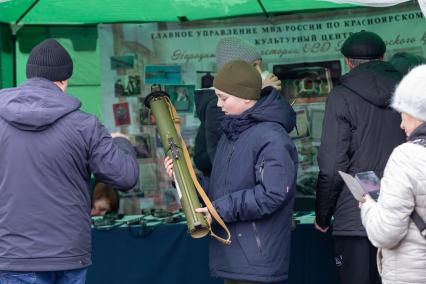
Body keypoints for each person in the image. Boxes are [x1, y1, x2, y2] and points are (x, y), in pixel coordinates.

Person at [0, 39, 139, 283]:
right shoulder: (85, 125)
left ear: (29, 75)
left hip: (13, 254)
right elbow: (125, 176)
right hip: (68, 256)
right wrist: (119, 141)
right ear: (64, 80)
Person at [166, 60, 297, 284]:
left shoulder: (272, 137)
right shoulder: (231, 134)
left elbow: (272, 194)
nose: (218, 104)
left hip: (256, 259)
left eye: (223, 97)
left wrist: (218, 210)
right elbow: (219, 189)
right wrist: (184, 179)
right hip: (234, 258)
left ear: (246, 97)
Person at [314, 30, 406, 284]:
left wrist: (323, 215)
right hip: (402, 213)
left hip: (355, 217)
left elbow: (332, 165)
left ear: (347, 61)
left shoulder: (341, 96)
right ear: (383, 57)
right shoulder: (408, 91)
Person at [360, 65, 426, 284]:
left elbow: (385, 234)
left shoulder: (406, 156)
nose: (401, 124)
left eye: (403, 115)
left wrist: (367, 205)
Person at [194, 36, 289, 177]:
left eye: (260, 65)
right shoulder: (217, 106)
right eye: (255, 65)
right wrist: (262, 94)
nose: (261, 71)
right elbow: (226, 163)